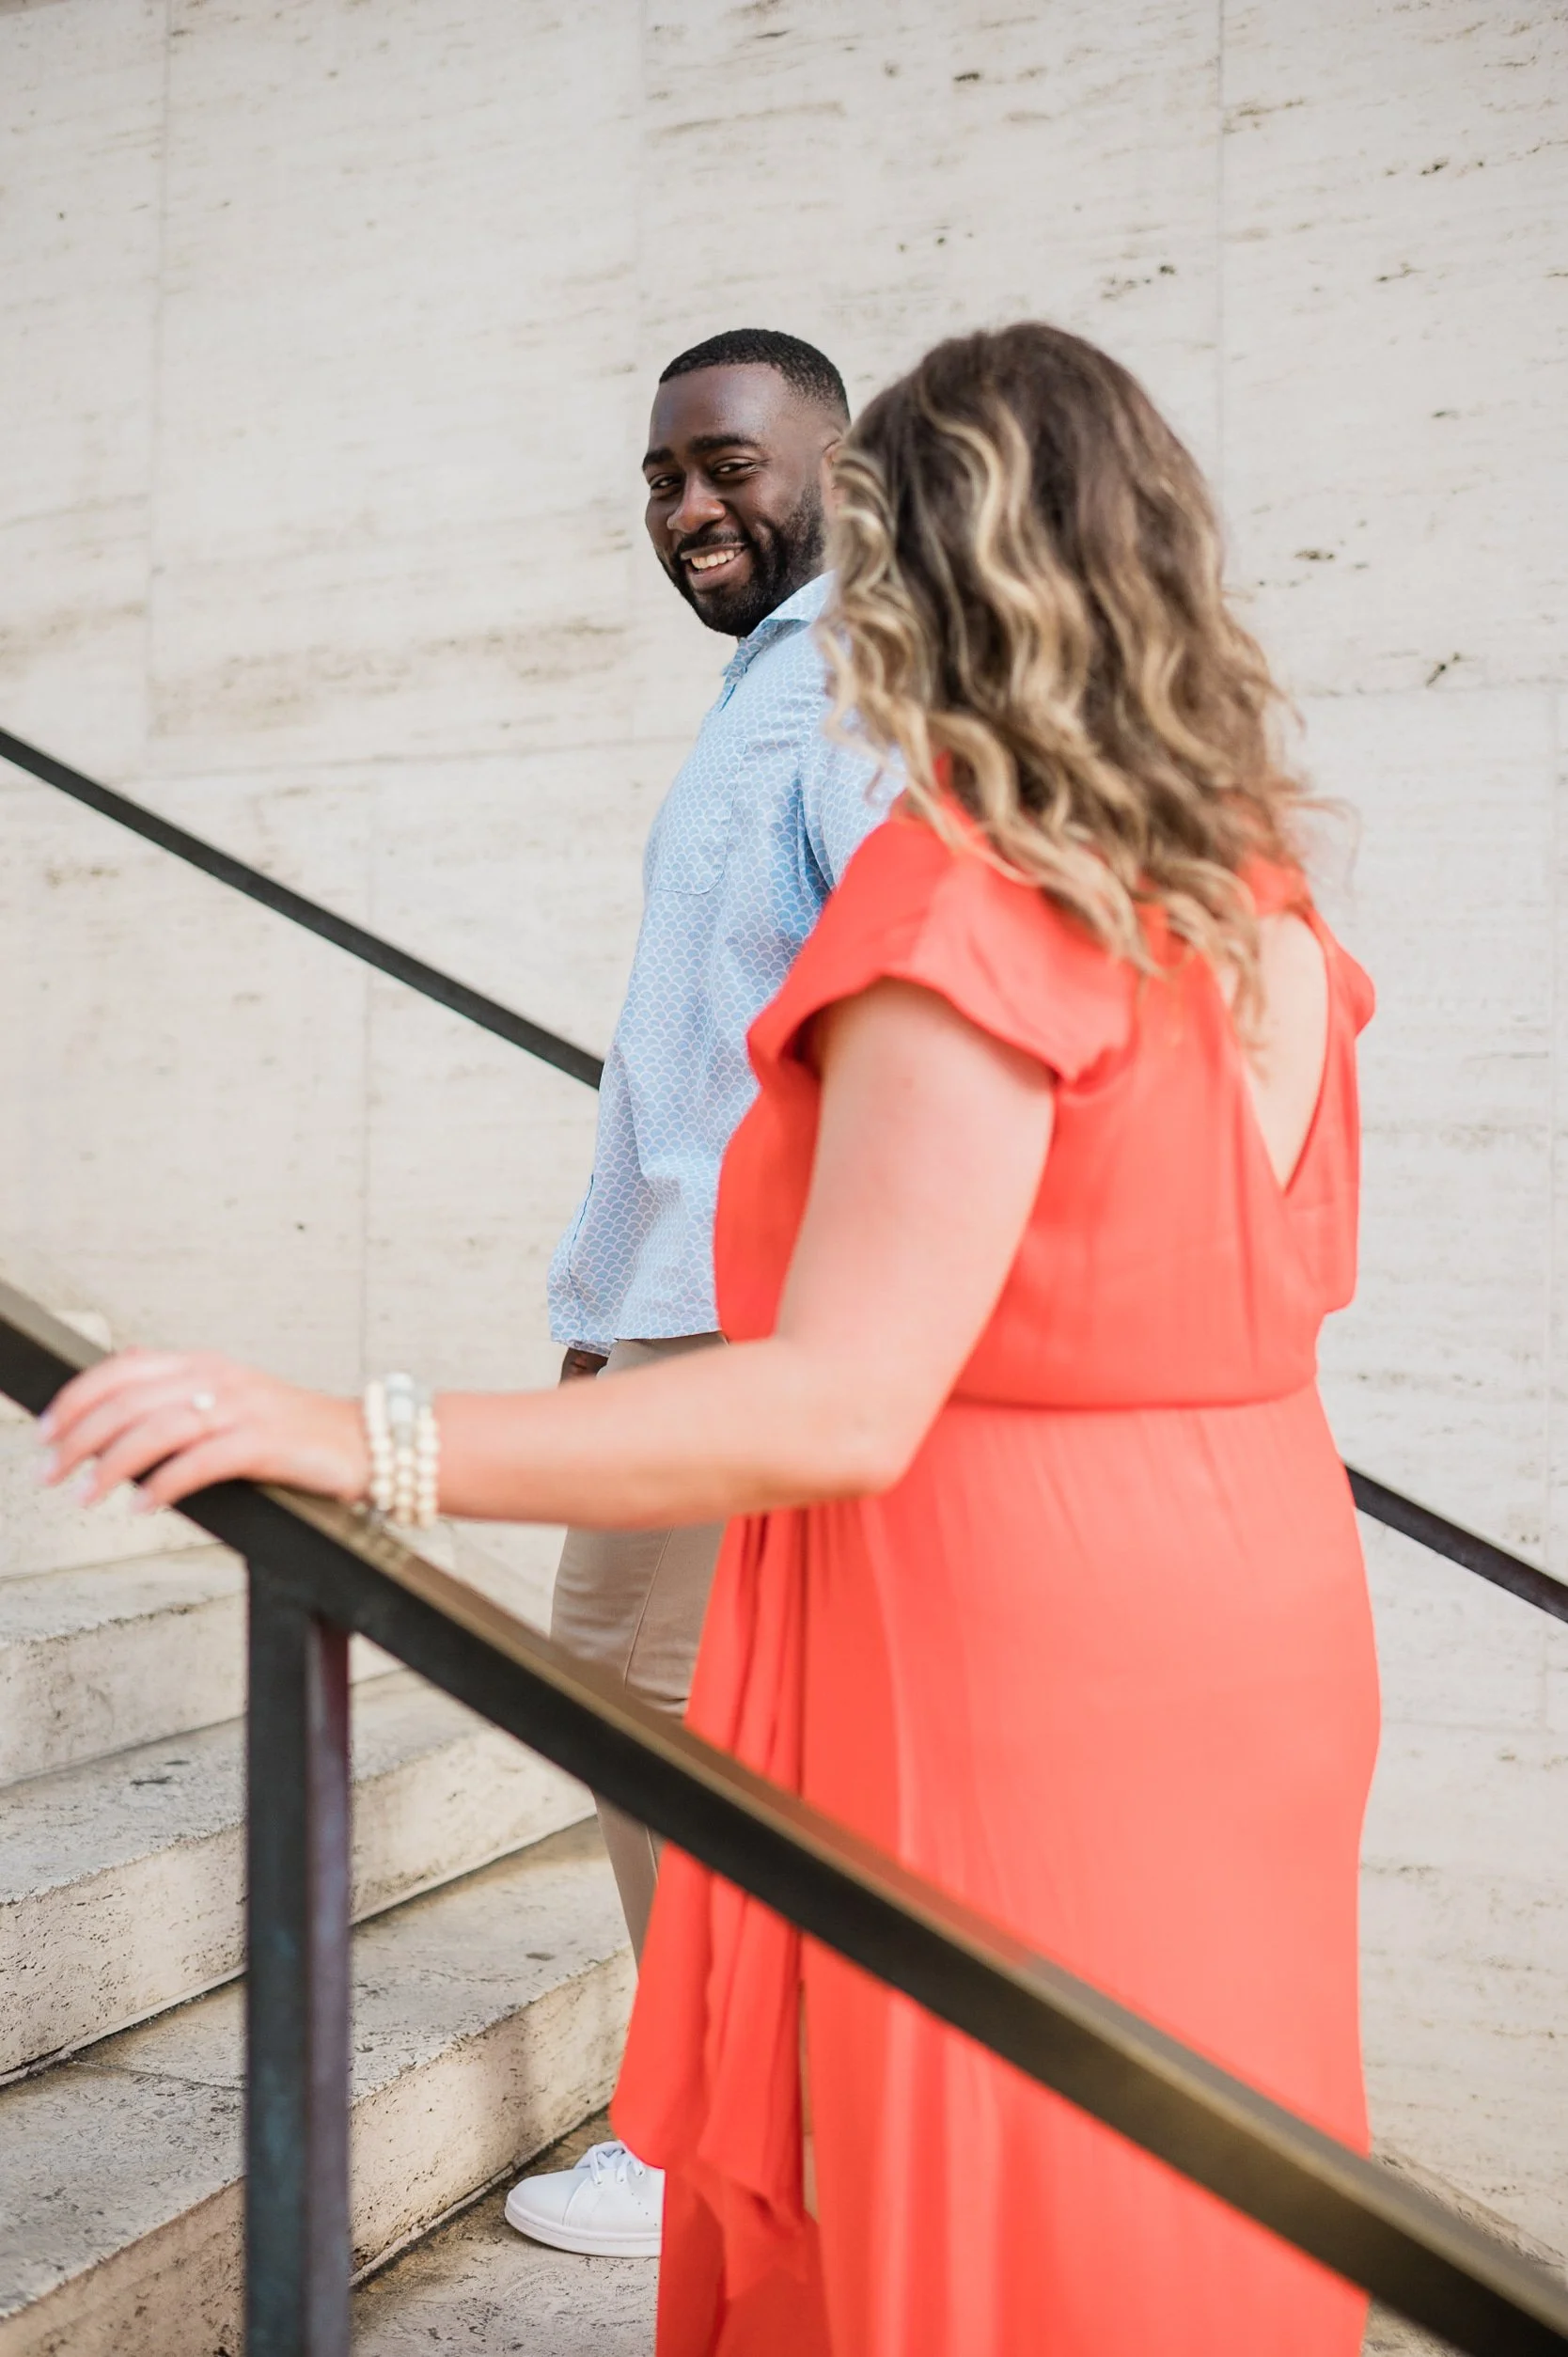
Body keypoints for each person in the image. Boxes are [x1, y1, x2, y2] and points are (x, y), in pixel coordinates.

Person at [41, 321, 1378, 2357]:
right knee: (1182, 2184)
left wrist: (344, 1429)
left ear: (921, 562)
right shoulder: (1256, 898)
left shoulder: (969, 897)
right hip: (1255, 1617)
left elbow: (844, 1396)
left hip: (1004, 1652)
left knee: (983, 2206)